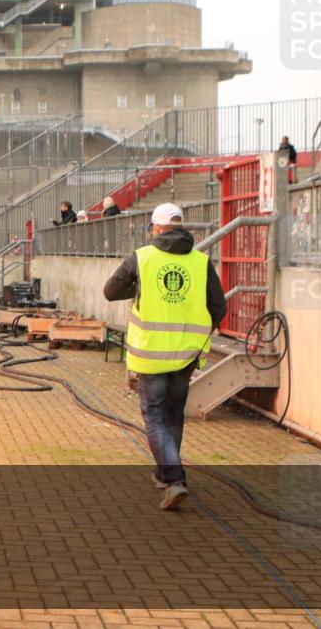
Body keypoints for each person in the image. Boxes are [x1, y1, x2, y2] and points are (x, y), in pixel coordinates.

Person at [103, 203, 226, 511]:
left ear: (155, 228)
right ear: (181, 227)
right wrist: (197, 337)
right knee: (173, 415)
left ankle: (173, 479)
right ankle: (164, 473)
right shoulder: (200, 261)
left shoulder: (142, 258)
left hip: (151, 355)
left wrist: (139, 290)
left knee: (155, 417)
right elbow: (218, 307)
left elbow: (110, 291)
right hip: (186, 355)